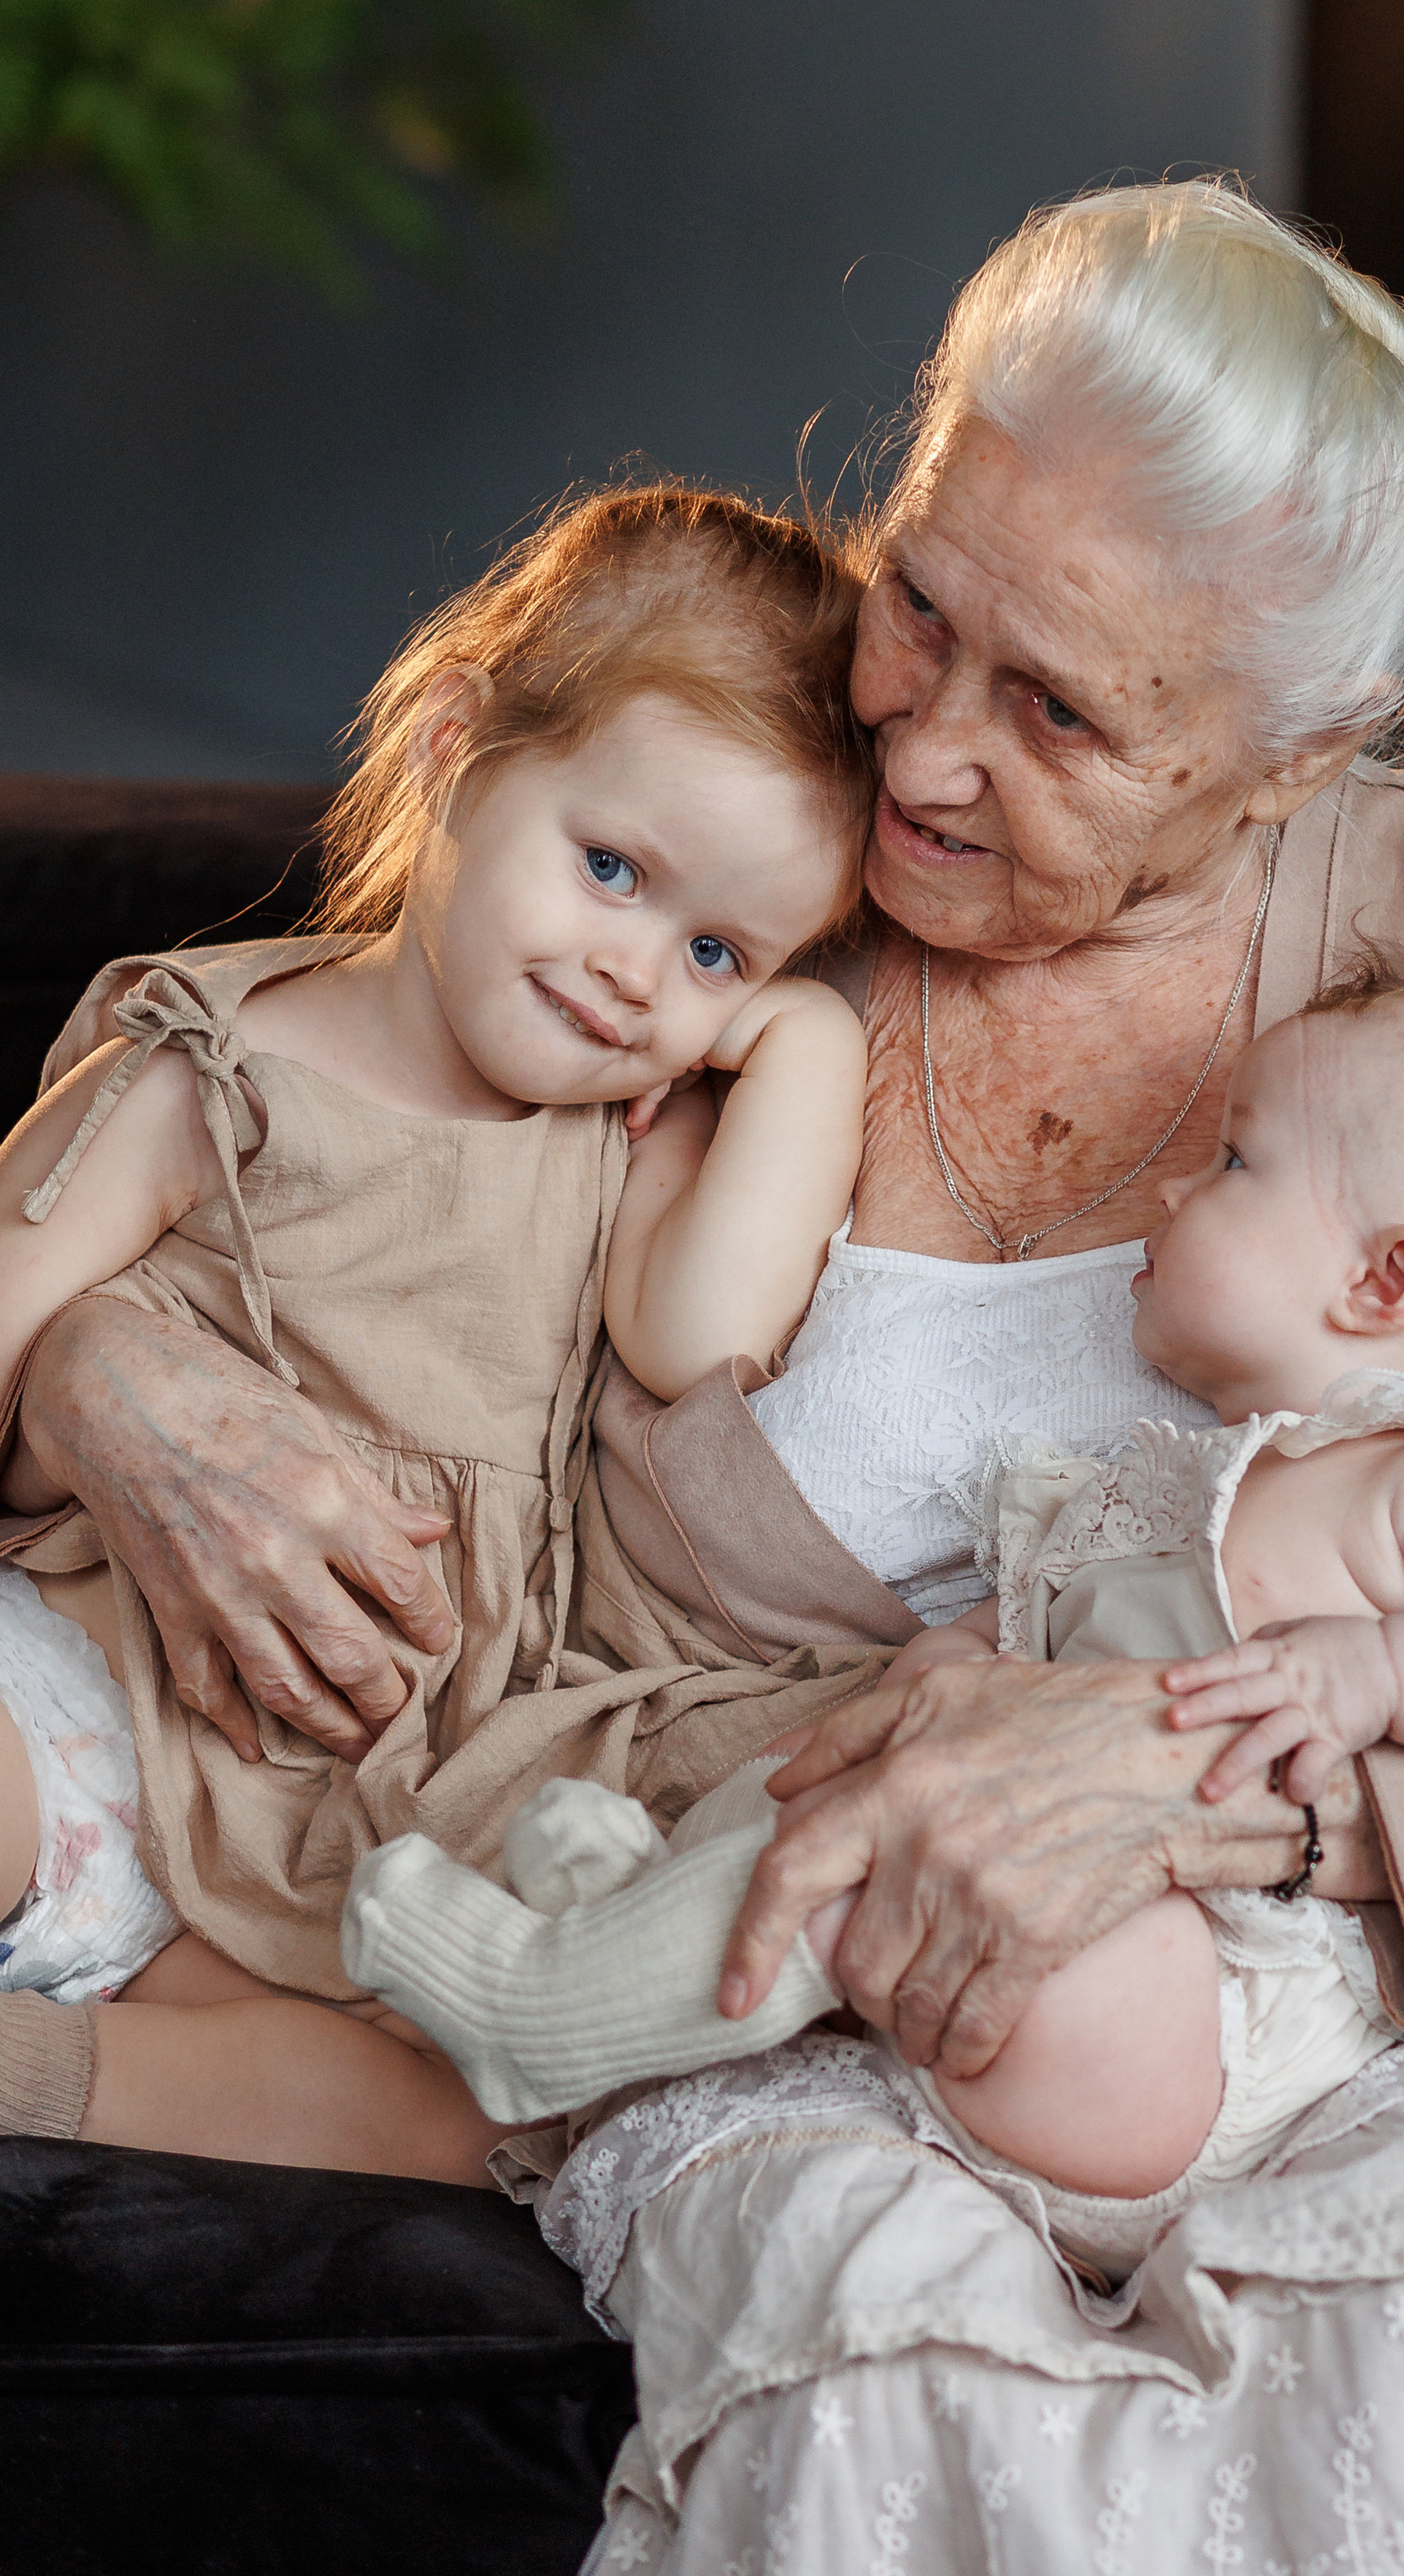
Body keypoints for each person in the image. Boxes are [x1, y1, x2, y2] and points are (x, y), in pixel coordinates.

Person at [3, 180, 1404, 2568]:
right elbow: (311, 1137)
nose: (922, 747)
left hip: (1347, 1989)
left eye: (1059, 709)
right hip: (810, 1971)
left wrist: (1205, 1784)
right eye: (922, 600)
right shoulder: (738, 834)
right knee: (879, 2397)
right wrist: (97, 1364)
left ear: (1293, 756)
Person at [345, 966, 1404, 2288]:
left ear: (1385, 1281)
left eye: (1233, 1163)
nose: (1173, 1190)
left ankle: (543, 2012)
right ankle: (639, 1924)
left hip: (1210, 2021)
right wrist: (951, 1662)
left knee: (903, 1840)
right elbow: (1032, 1634)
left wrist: (1380, 1671)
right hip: (1036, 1992)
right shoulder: (1164, 1481)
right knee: (832, 1774)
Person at [0, 482, 876, 2176]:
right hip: (78, 1693)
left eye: (715, 948)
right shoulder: (212, 1071)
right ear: (455, 749)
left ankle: (34, 2074)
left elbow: (701, 1340)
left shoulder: (620, 1141)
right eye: (610, 869)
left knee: (486, 2120)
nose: (636, 975)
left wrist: (804, 1043)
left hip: (338, 1827)